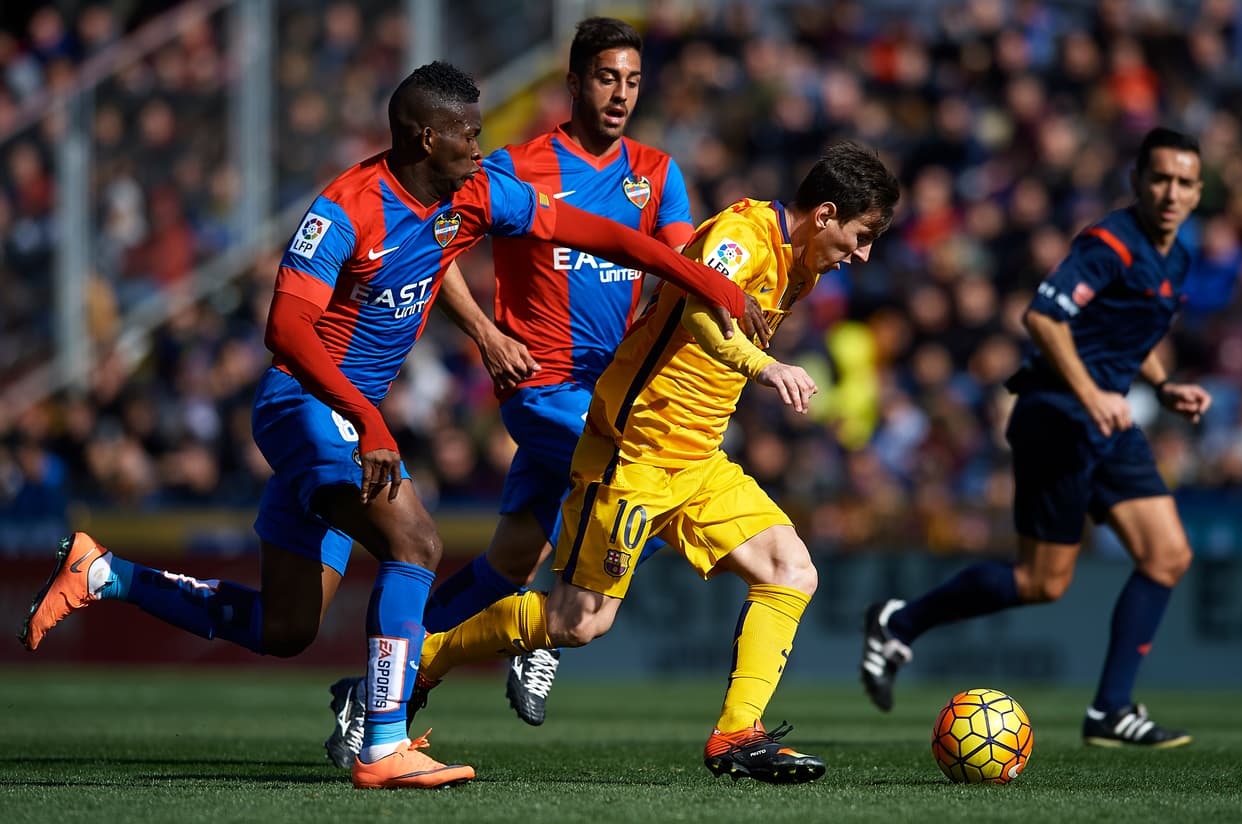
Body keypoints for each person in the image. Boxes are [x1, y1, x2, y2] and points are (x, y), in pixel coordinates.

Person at [18, 60, 767, 791]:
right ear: (423, 139)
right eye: (467, 134)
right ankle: (383, 740)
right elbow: (286, 328)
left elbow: (596, 233)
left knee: (285, 629)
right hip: (304, 411)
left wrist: (708, 283)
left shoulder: (470, 196)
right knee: (416, 541)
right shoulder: (345, 208)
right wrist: (369, 418)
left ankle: (104, 572)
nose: (482, 147)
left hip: (349, 421)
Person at [393, 140, 900, 784]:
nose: (861, 255)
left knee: (791, 570)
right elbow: (694, 309)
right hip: (634, 452)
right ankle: (419, 663)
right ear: (825, 213)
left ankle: (735, 736)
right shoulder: (742, 236)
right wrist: (765, 367)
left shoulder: (801, 263)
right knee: (577, 624)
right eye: (860, 236)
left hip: (698, 459)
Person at [321, 18, 693, 768]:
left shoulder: (659, 170)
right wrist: (488, 334)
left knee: (506, 565)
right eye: (605, 78)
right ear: (574, 81)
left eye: (632, 80)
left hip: (610, 390)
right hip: (543, 386)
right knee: (649, 475)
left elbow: (675, 266)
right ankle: (544, 632)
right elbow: (436, 246)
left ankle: (379, 692)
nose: (620, 94)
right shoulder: (518, 165)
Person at [860, 126, 1209, 749]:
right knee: (1041, 583)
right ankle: (900, 622)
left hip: (1110, 419)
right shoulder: (1109, 243)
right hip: (1059, 416)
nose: (1171, 192)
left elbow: (1135, 333)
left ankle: (1110, 710)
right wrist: (1093, 393)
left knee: (1168, 555)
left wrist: (1164, 384)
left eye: (1184, 182)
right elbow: (1044, 317)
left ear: (1198, 190)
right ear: (1138, 181)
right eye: (1160, 178)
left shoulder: (1176, 255)